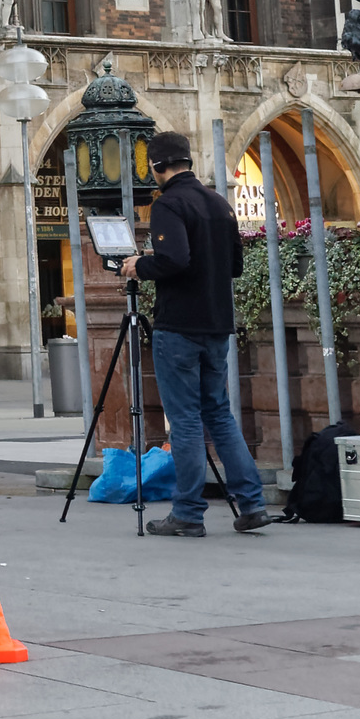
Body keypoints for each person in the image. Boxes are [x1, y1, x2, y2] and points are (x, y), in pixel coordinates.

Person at [133, 130, 267, 535]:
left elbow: (173, 259)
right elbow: (236, 267)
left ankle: (188, 513)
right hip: (217, 322)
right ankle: (252, 504)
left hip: (179, 326)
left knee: (186, 420)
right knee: (220, 415)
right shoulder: (219, 203)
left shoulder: (169, 204)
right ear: (187, 160)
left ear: (157, 166)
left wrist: (139, 265)